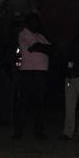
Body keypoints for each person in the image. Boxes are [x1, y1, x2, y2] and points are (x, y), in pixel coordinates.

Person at [14, 12, 54, 140]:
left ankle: (38, 132)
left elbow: (51, 49)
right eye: (34, 21)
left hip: (41, 72)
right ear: (28, 22)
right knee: (24, 103)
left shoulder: (40, 35)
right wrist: (42, 48)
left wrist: (40, 48)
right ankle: (18, 131)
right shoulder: (24, 33)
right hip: (28, 72)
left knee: (40, 104)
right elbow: (37, 47)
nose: (37, 23)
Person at [62, 28, 79, 140]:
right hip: (70, 78)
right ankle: (68, 132)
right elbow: (66, 60)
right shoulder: (71, 43)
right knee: (70, 106)